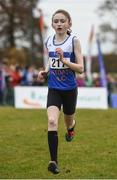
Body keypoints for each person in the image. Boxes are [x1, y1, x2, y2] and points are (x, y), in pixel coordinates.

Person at [38, 9, 84, 174]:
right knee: (51, 121)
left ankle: (71, 128)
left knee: (68, 120)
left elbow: (81, 68)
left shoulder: (74, 41)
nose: (59, 24)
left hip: (70, 89)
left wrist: (65, 60)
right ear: (52, 24)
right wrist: (44, 71)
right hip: (54, 89)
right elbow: (50, 62)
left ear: (69, 24)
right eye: (56, 21)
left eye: (62, 21)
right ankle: (53, 162)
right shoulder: (48, 40)